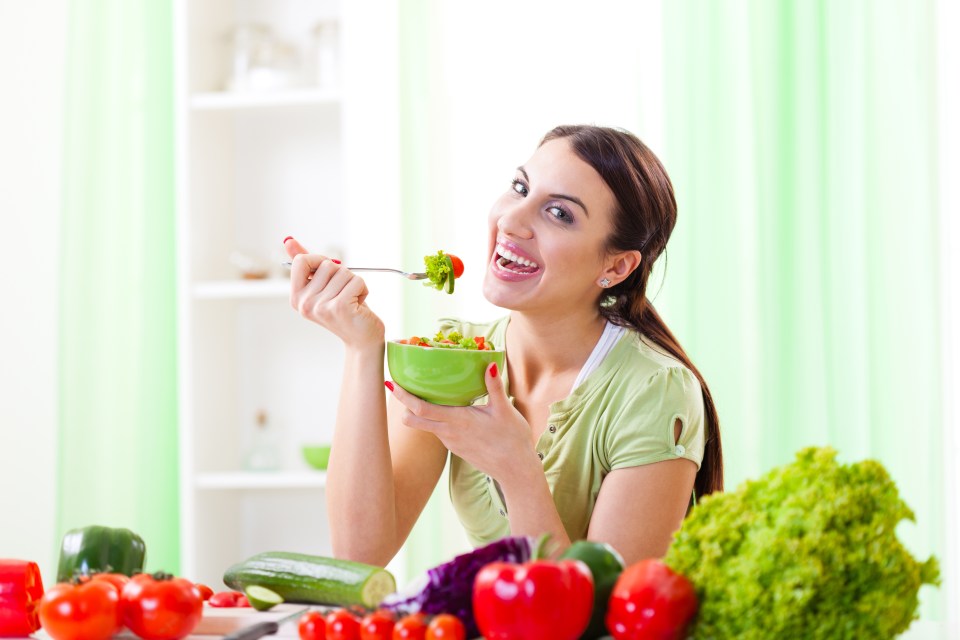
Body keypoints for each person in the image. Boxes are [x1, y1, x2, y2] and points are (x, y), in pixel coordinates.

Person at [284, 125, 722, 568]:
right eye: (520, 188)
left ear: (616, 266)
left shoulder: (652, 390)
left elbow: (606, 621)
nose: (512, 220)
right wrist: (361, 348)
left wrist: (517, 468)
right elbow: (360, 553)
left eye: (559, 213)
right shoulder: (451, 358)